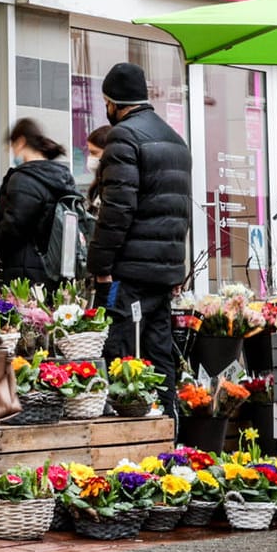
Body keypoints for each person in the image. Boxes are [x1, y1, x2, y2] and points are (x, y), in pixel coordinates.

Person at [88, 63, 191, 417]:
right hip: (163, 274)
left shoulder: (124, 137)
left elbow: (116, 211)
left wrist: (100, 267)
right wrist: (176, 270)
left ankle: (126, 441)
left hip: (128, 273)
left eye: (106, 103)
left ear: (113, 102)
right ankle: (168, 433)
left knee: (121, 357)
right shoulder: (175, 140)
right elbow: (181, 210)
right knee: (159, 355)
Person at [0, 117, 77, 292]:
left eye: (11, 147)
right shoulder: (61, 177)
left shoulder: (25, 179)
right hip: (51, 274)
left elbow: (12, 229)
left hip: (22, 277)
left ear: (20, 142)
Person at [83, 124, 112, 218]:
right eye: (89, 152)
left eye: (94, 153)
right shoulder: (98, 184)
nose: (90, 157)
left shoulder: (116, 186)